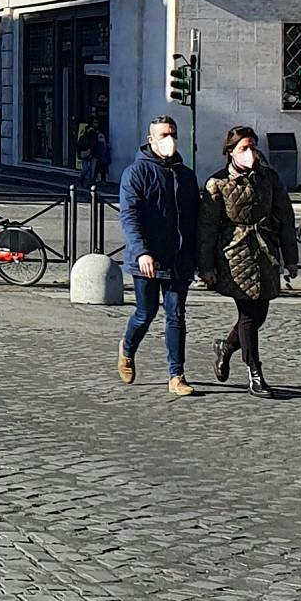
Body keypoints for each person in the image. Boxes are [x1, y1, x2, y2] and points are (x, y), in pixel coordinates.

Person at [198, 126, 294, 398]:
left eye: (253, 147)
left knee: (259, 313)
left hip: (265, 251)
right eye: (243, 148)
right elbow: (207, 228)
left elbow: (285, 217)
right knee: (249, 315)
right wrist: (206, 266)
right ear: (230, 152)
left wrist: (291, 258)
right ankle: (255, 373)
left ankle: (226, 346)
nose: (249, 153)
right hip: (234, 254)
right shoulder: (217, 183)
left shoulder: (269, 178)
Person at [117, 115, 201, 395]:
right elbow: (129, 215)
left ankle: (176, 375)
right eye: (164, 135)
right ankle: (127, 349)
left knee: (176, 315)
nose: (170, 140)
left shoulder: (186, 175)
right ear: (151, 139)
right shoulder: (137, 172)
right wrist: (142, 251)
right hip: (148, 258)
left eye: (173, 134)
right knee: (146, 313)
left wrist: (198, 257)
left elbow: (194, 219)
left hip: (179, 259)